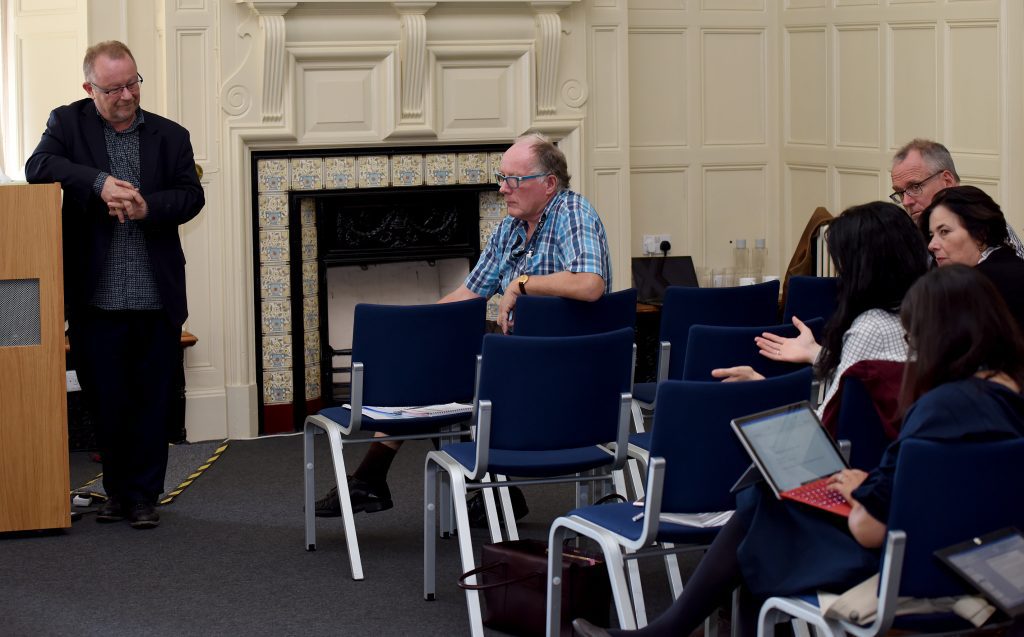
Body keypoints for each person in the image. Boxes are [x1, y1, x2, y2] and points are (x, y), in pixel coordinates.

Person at [573, 264, 1024, 637]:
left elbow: (870, 530)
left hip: (905, 571)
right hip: (983, 568)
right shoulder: (1011, 404)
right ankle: (671, 629)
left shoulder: (937, 409)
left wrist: (862, 488)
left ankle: (669, 629)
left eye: (913, 338)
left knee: (765, 505)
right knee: (766, 510)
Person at [315, 133, 612, 517]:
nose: (503, 189)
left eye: (514, 180)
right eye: (501, 178)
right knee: (435, 356)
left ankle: (378, 479)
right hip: (516, 362)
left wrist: (522, 284)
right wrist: (416, 331)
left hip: (563, 371)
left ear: (549, 183)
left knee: (445, 369)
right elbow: (469, 294)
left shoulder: (573, 212)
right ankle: (484, 490)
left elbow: (591, 285)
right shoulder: (509, 230)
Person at [25, 41, 205, 529]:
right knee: (105, 399)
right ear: (90, 88)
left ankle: (143, 497)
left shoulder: (171, 135)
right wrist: (98, 181)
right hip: (94, 295)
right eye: (113, 88)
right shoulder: (67, 124)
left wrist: (150, 208)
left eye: (132, 83)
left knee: (151, 401)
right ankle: (117, 493)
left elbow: (192, 196)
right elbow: (38, 168)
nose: (126, 95)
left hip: (155, 293)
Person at [711, 202, 929, 418]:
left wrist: (761, 388)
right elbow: (874, 374)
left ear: (862, 268)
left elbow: (825, 425)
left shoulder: (870, 326)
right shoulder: (924, 312)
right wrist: (817, 353)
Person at [890, 138, 1024, 258]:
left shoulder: (984, 225)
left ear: (947, 181)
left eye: (915, 187)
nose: (906, 202)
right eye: (900, 193)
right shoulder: (906, 232)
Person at [919, 185, 1024, 331]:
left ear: (980, 234)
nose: (932, 245)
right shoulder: (1011, 264)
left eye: (944, 231)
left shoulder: (976, 287)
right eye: (932, 235)